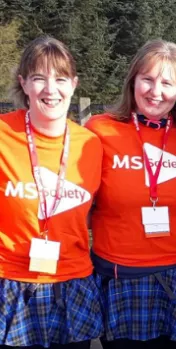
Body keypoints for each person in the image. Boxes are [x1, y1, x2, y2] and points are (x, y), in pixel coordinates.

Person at [85, 40, 176, 349]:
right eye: (147, 79)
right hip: (120, 279)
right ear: (133, 81)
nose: (155, 91)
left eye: (167, 82)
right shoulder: (99, 130)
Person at [0, 36, 103, 348]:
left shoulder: (91, 144)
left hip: (72, 283)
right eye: (38, 78)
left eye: (60, 78)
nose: (50, 89)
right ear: (24, 84)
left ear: (73, 84)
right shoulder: (3, 134)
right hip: (11, 283)